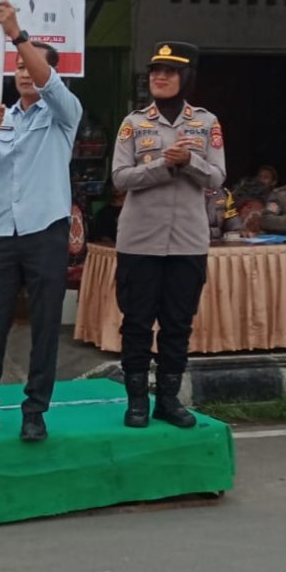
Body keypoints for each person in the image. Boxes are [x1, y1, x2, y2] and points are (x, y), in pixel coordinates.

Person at [0, 2, 83, 443]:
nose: (24, 73)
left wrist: (17, 34)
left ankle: (35, 411)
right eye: (18, 68)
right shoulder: (2, 115)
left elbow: (46, 79)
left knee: (45, 324)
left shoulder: (64, 112)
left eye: (30, 66)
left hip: (46, 230)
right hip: (1, 233)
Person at [111, 41, 226, 430]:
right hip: (140, 240)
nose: (159, 77)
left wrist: (190, 161)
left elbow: (217, 175)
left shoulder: (206, 123)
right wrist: (164, 165)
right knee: (137, 323)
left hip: (187, 241)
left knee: (178, 324)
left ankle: (169, 400)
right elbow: (120, 177)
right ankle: (137, 401)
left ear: (186, 76)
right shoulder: (133, 123)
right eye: (155, 71)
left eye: (170, 71)